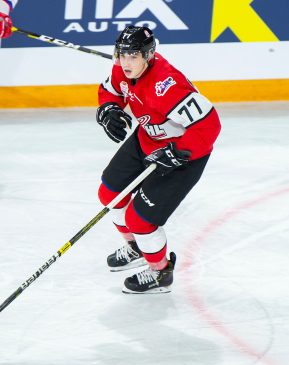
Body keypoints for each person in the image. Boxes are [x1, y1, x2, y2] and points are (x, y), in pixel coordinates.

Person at [96, 25, 221, 294]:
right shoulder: (121, 67)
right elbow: (110, 90)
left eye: (133, 56)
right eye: (122, 54)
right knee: (110, 194)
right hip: (146, 140)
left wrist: (178, 152)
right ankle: (136, 248)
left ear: (149, 55)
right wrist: (108, 109)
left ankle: (160, 272)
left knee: (140, 220)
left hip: (184, 155)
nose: (125, 62)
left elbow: (210, 127)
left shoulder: (168, 86)